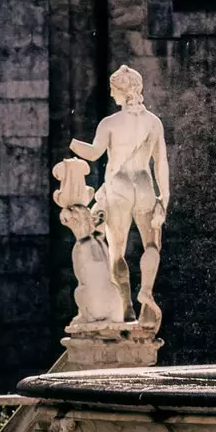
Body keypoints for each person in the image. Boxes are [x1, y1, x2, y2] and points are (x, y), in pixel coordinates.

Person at [70, 65, 169, 329]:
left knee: (117, 251)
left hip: (119, 187)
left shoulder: (110, 123)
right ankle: (146, 290)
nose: (112, 95)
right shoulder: (153, 122)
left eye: (114, 90)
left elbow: (93, 153)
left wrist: (72, 143)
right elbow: (160, 164)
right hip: (144, 184)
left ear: (121, 92)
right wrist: (164, 199)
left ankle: (126, 306)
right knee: (152, 245)